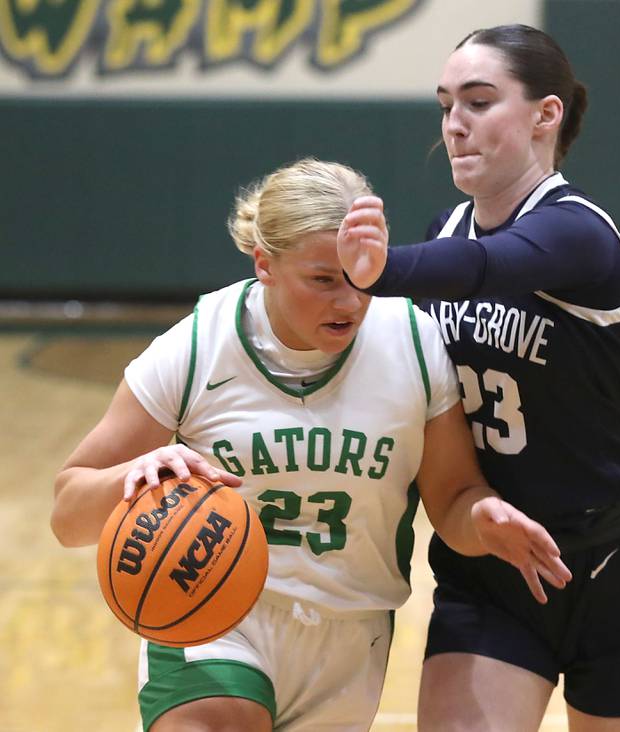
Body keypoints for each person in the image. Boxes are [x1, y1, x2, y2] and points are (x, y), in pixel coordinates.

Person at [50, 158, 571, 732]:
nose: (348, 301)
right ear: (265, 265)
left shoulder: (413, 343)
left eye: (363, 276)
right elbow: (67, 516)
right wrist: (135, 475)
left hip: (350, 631)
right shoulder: (198, 345)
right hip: (212, 614)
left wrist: (483, 518)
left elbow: (452, 499)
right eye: (323, 280)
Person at [338, 24, 620, 732]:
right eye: (446, 105)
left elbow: (490, 267)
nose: (455, 125)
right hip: (490, 565)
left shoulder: (579, 234)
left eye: (479, 103)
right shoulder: (444, 232)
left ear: (547, 114)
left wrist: (378, 269)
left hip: (615, 562)